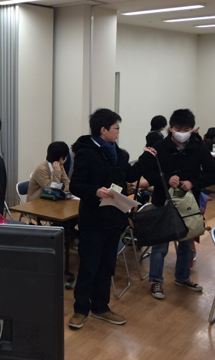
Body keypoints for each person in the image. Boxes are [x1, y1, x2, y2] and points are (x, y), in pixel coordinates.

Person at [68, 108, 150, 329]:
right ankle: (80, 310)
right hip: (93, 220)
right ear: (103, 130)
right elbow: (76, 185)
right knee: (89, 267)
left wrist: (145, 158)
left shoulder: (119, 153)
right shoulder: (86, 153)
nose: (118, 131)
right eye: (116, 128)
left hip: (114, 217)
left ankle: (101, 307)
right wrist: (95, 191)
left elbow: (129, 175)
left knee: (106, 267)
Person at [143, 109, 215, 300]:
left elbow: (213, 173)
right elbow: (148, 173)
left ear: (192, 129)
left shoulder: (198, 146)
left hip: (188, 204)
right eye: (178, 129)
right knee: (160, 245)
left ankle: (183, 277)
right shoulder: (160, 146)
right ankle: (155, 280)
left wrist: (193, 182)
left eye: (186, 129)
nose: (182, 133)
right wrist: (166, 179)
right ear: (171, 128)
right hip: (163, 201)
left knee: (187, 243)